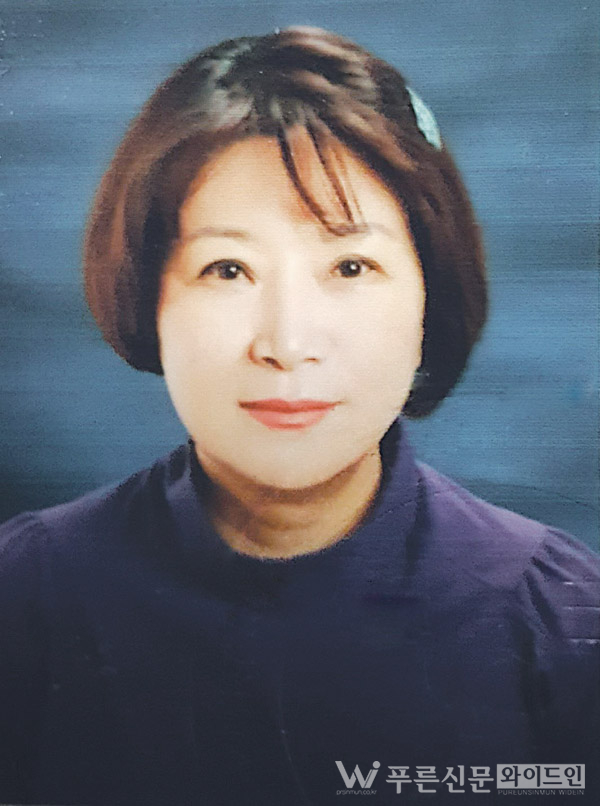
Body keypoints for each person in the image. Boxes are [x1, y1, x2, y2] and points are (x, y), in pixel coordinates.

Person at [0, 26, 598, 806]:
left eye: (350, 265)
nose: (285, 344)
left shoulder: (558, 620)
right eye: (228, 268)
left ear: (431, 295)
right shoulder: (25, 595)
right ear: (149, 295)